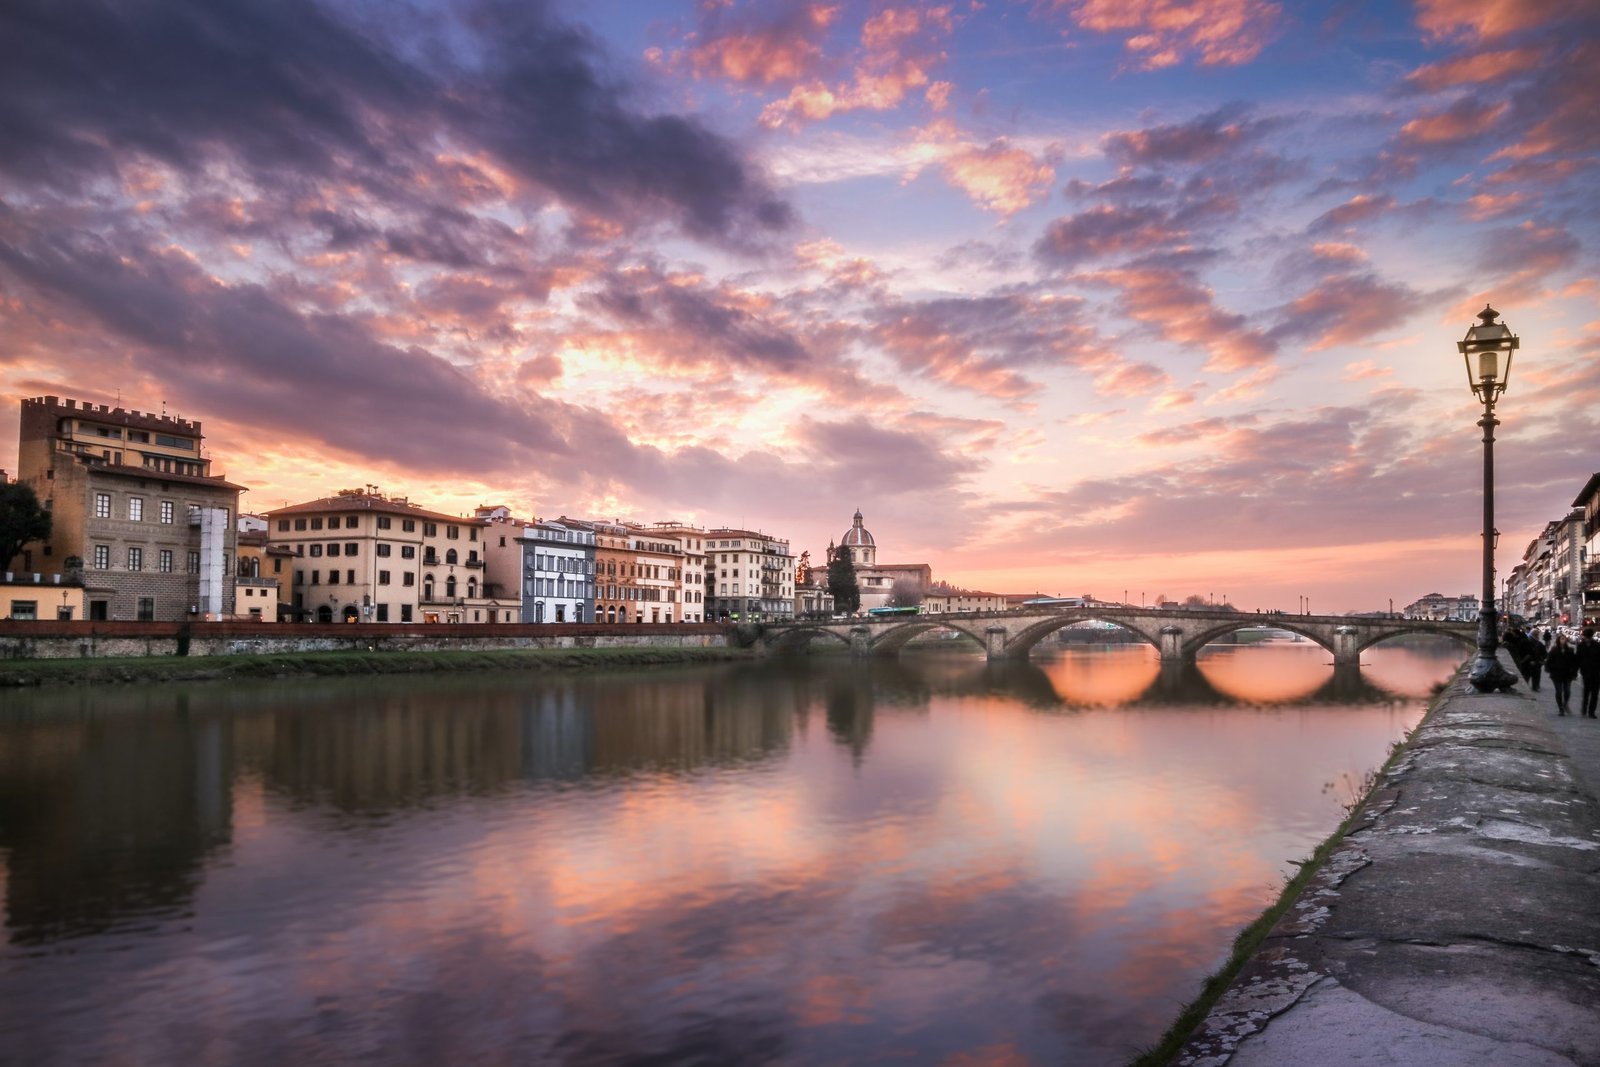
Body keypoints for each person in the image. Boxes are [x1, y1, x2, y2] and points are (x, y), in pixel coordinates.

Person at [1547, 633, 1578, 716]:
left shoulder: (1570, 650)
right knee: (1559, 691)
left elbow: (1574, 663)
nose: (1563, 640)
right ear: (1558, 640)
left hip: (1567, 674)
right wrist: (1552, 669)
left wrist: (1574, 673)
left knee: (1567, 691)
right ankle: (1561, 708)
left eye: (1564, 639)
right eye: (1561, 639)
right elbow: (1549, 661)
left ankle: (1565, 704)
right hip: (1557, 674)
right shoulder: (1554, 650)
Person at [1578, 628, 1600, 719]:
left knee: (1594, 693)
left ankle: (1591, 711)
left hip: (1596, 673)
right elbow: (1578, 659)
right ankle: (1584, 708)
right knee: (1587, 692)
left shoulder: (1597, 645)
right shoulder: (1581, 646)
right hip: (1586, 672)